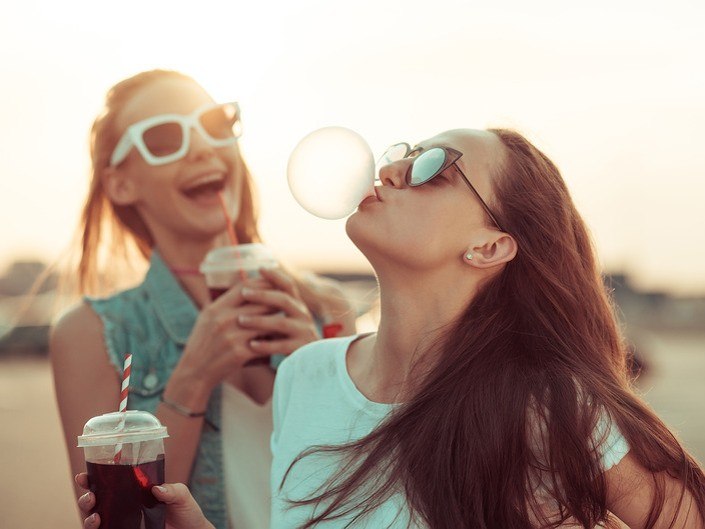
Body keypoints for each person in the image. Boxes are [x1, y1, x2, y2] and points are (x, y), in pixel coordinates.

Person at [78, 128, 705, 528]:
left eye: (435, 166)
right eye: (402, 153)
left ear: (490, 247)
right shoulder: (306, 375)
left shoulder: (550, 402)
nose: (393, 169)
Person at [52, 69, 356, 529]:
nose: (203, 147)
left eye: (215, 124)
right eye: (164, 137)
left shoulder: (327, 307)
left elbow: (365, 484)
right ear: (120, 184)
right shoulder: (89, 333)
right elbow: (128, 520)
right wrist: (191, 378)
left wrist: (316, 376)